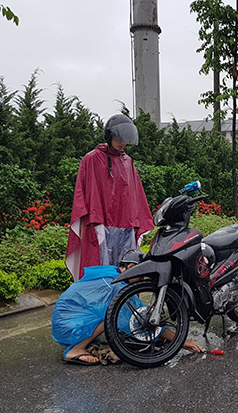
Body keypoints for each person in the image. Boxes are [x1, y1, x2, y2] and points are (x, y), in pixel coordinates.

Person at [52, 250, 205, 366]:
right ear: (131, 267)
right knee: (110, 316)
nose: (143, 280)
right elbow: (137, 317)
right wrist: (182, 341)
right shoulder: (115, 286)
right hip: (69, 327)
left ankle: (82, 342)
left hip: (66, 323)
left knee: (113, 317)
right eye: (141, 275)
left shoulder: (112, 274)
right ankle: (76, 350)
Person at [65, 114, 154, 281]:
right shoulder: (92, 159)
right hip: (100, 226)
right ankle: (101, 306)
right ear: (109, 136)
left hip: (125, 227)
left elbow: (135, 197)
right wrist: (96, 221)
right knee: (101, 272)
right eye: (119, 137)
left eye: (125, 139)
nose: (123, 142)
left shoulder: (128, 161)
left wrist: (136, 224)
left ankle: (125, 306)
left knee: (126, 273)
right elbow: (88, 192)